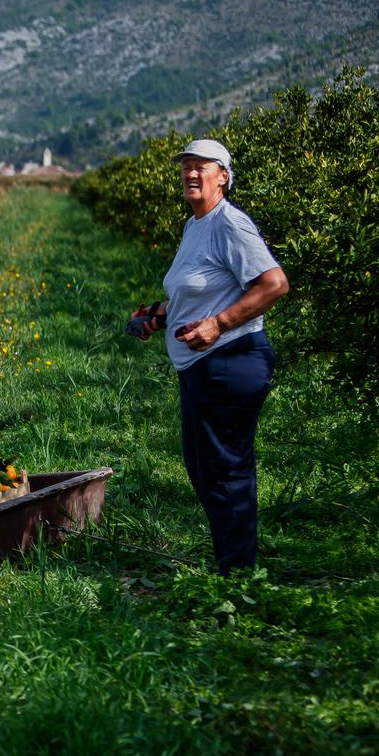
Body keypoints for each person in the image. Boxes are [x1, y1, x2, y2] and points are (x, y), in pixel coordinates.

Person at [131, 138, 288, 573]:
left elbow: (273, 284)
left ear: (224, 176)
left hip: (230, 360)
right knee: (205, 470)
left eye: (203, 166)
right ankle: (231, 562)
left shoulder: (228, 224)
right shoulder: (195, 225)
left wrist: (217, 324)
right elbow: (203, 290)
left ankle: (238, 576)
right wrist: (159, 316)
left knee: (226, 472)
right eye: (187, 167)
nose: (192, 173)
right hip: (202, 366)